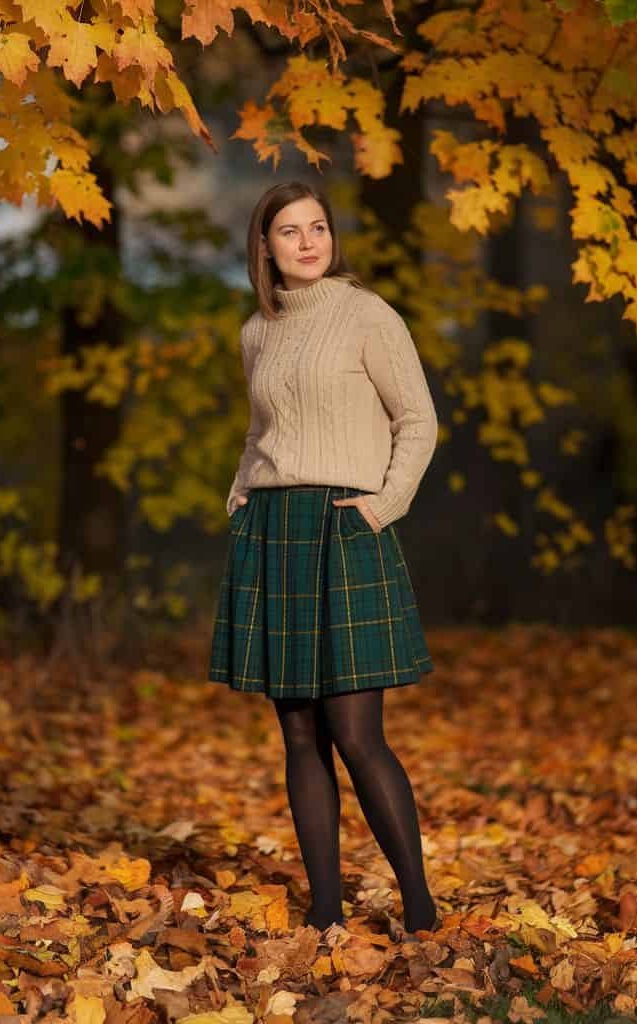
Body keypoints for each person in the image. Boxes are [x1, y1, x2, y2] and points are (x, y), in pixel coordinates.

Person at [208, 181, 441, 939]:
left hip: (347, 526)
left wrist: (383, 505)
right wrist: (240, 493)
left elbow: (418, 421)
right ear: (264, 246)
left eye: (317, 228)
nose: (308, 242)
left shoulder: (367, 315)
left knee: (356, 733)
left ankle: (419, 907)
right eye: (288, 231)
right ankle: (327, 909)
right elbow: (260, 433)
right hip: (274, 527)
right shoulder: (258, 331)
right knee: (299, 733)